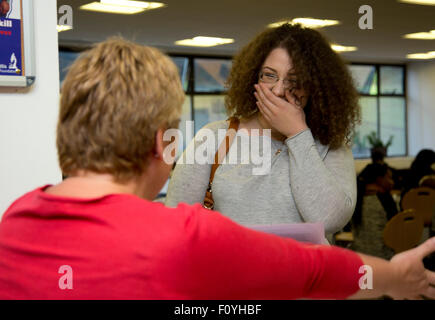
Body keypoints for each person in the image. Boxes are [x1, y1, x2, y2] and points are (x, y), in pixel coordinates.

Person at [0, 38, 434, 300]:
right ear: (160, 146)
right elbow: (312, 268)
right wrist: (398, 276)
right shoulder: (183, 239)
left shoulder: (13, 223)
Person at [166, 23, 360, 238]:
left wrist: (297, 133)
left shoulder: (329, 146)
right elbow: (176, 222)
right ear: (253, 78)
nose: (278, 90)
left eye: (294, 80)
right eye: (269, 75)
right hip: (230, 269)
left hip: (304, 271)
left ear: (315, 86)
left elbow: (330, 220)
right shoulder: (213, 137)